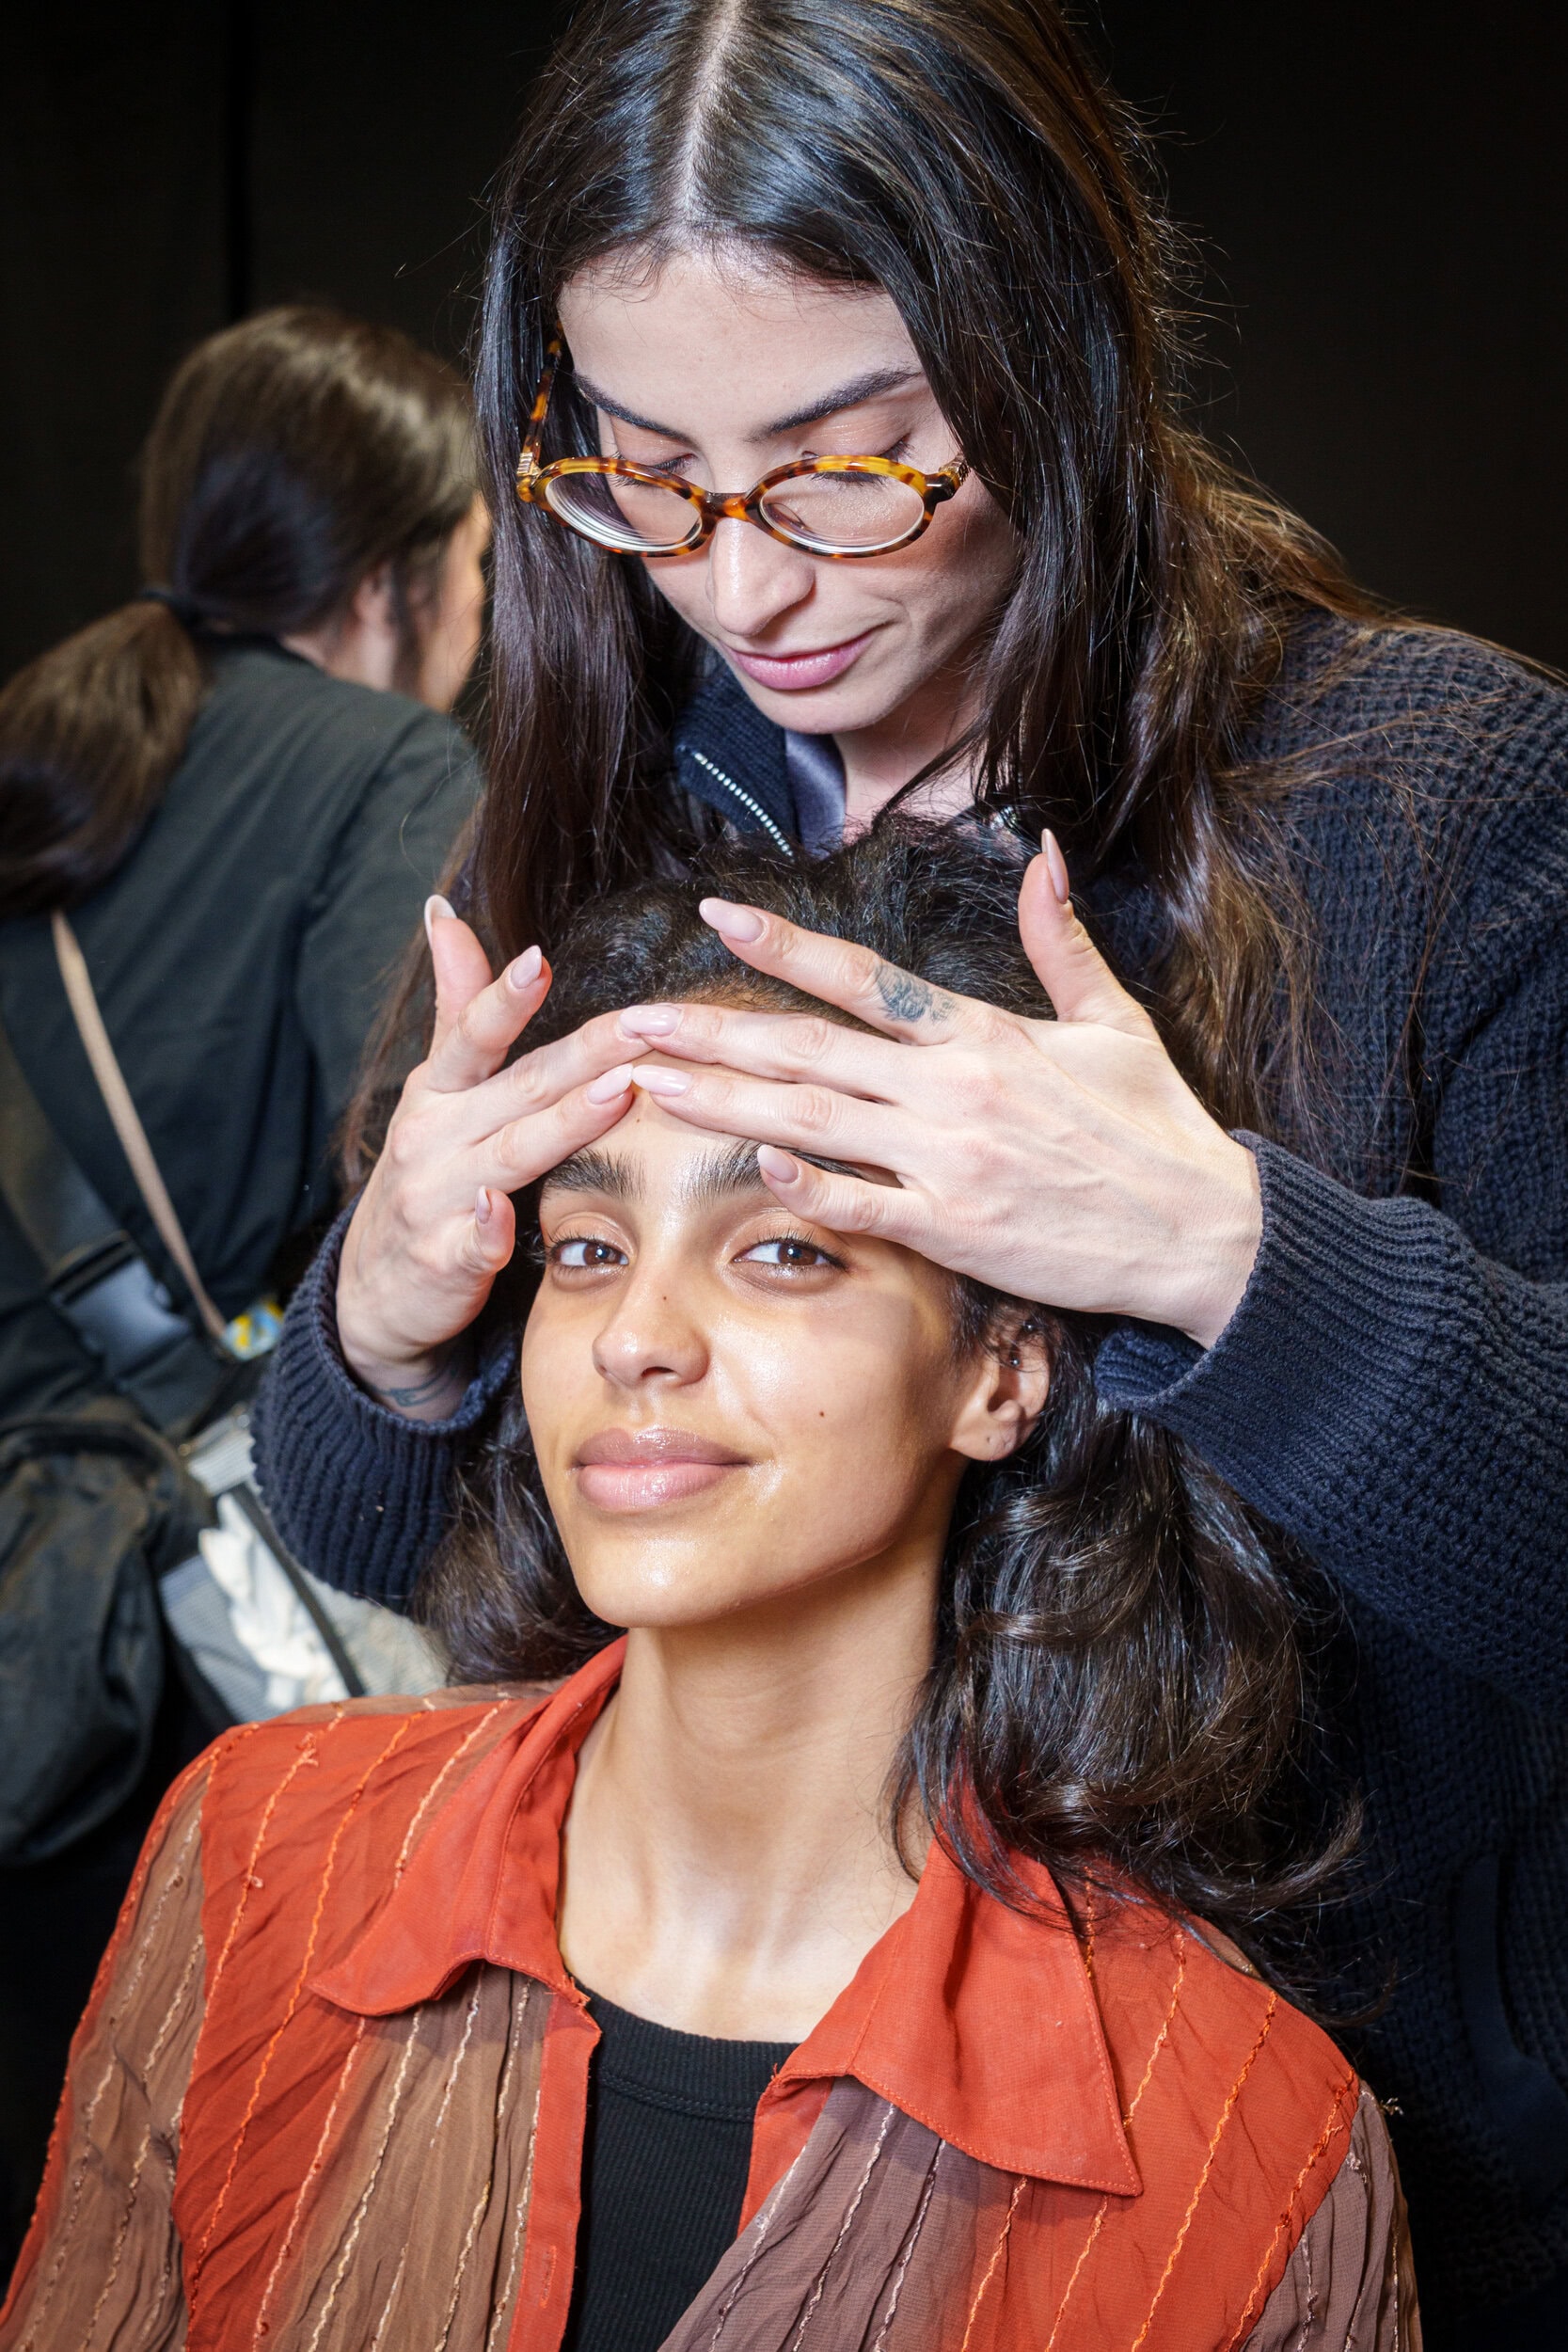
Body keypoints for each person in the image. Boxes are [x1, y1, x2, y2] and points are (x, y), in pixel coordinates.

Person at [248, 2, 1568, 2338]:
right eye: (644, 473)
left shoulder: (1431, 800)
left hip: (1346, 2158)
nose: (745, 586)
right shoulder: (596, 816)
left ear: (1053, 357)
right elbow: (375, 1525)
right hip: (735, 2097)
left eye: (852, 463)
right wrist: (389, 1309)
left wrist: (1225, 1254)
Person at [2, 827, 1418, 2350]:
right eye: (590, 1247)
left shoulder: (1246, 2143)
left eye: (788, 1251)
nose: (635, 1337)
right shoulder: (258, 1850)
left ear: (1002, 1369)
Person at [0, 304, 485, 2264]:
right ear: (396, 579)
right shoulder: (386, 768)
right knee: (245, 2201)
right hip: (237, 1656)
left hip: (25, 1646)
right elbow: (413, 1159)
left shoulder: (41, 746)